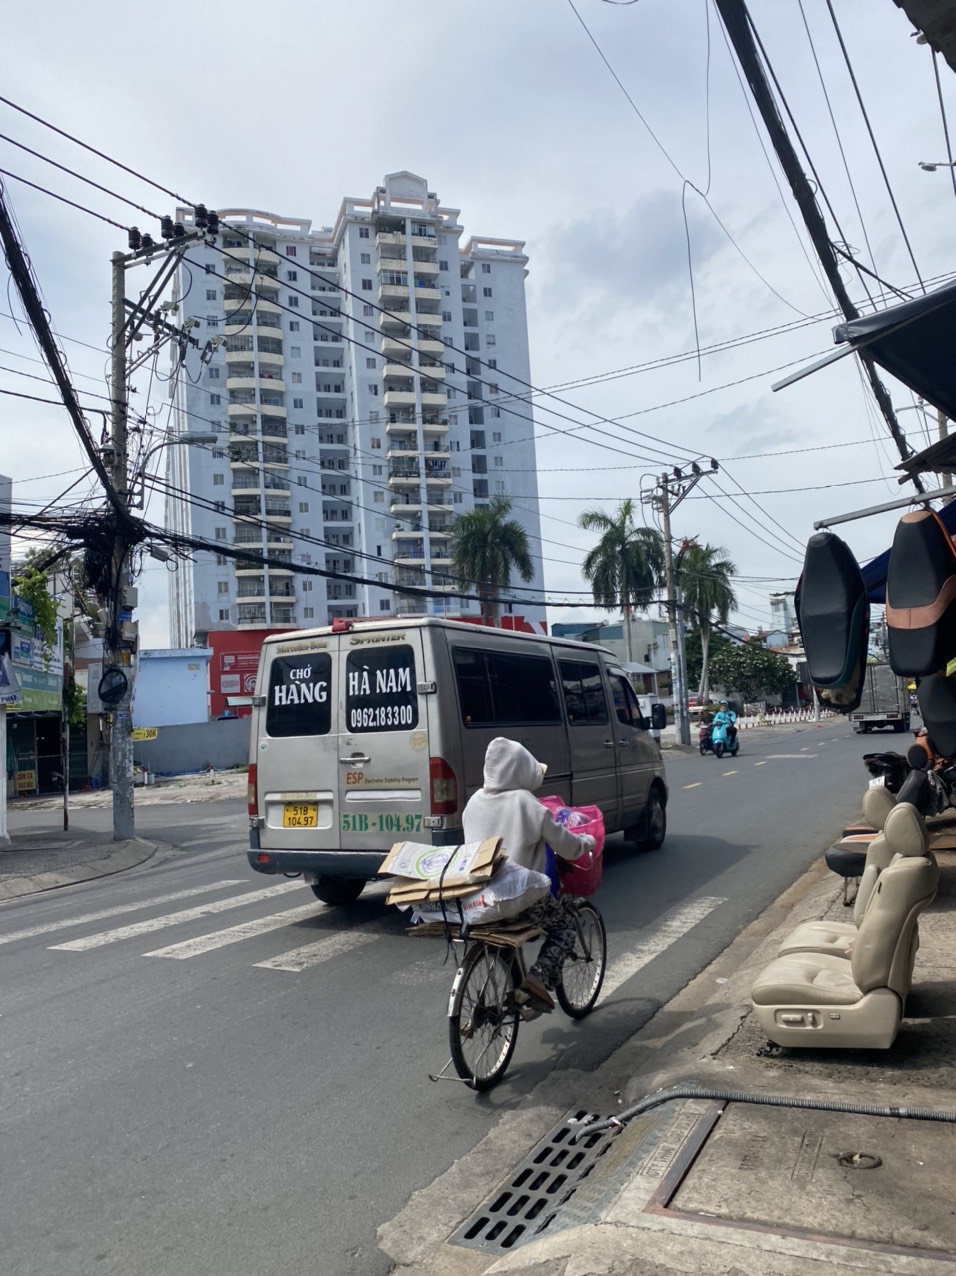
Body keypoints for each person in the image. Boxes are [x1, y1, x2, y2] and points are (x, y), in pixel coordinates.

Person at [462, 737, 595, 1014]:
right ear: (519, 770)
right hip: (520, 900)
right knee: (564, 927)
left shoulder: (473, 802)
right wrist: (587, 843)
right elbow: (568, 847)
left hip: (479, 899)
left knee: (505, 934)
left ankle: (516, 991)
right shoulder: (526, 802)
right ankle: (536, 981)